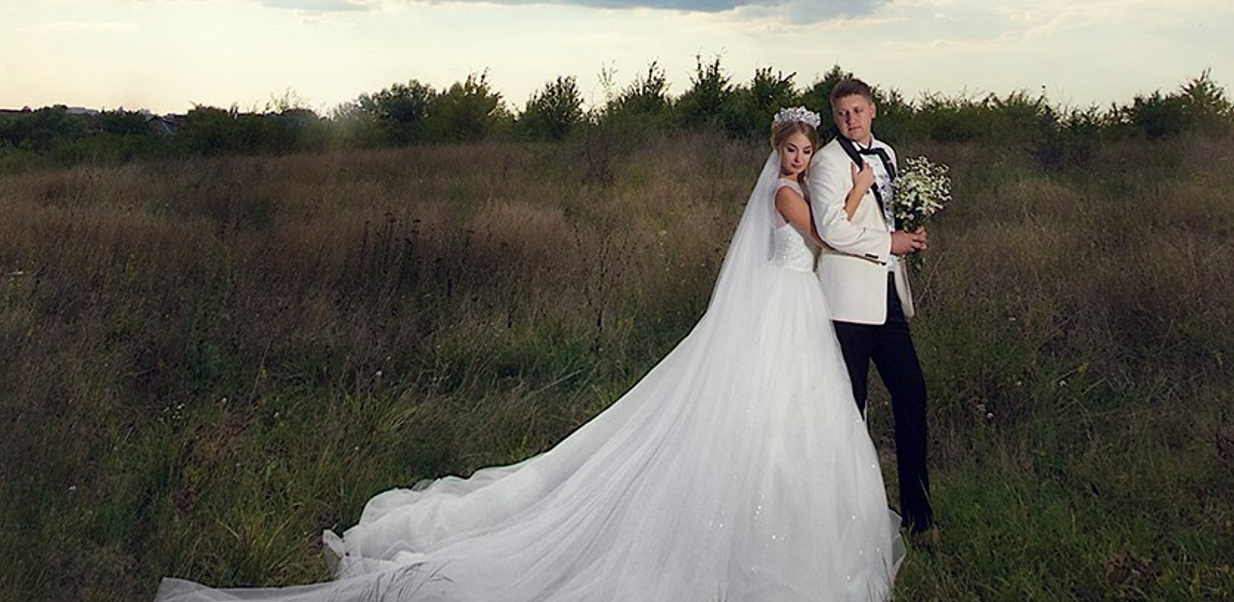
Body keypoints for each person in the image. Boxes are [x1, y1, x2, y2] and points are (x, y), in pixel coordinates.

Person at [156, 110, 899, 602]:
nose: (800, 157)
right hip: (780, 308)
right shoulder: (786, 199)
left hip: (795, 308)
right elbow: (830, 236)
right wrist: (867, 193)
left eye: (806, 150)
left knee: (787, 425)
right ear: (779, 154)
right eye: (793, 150)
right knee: (759, 412)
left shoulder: (803, 190)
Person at [807, 76, 935, 540]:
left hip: (888, 296)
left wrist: (909, 236)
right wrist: (888, 242)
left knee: (912, 396)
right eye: (842, 113)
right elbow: (830, 230)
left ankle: (920, 518)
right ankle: (844, 522)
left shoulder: (889, 154)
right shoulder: (825, 163)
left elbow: (887, 212)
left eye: (858, 111)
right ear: (833, 116)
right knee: (849, 410)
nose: (851, 120)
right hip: (845, 304)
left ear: (873, 110)